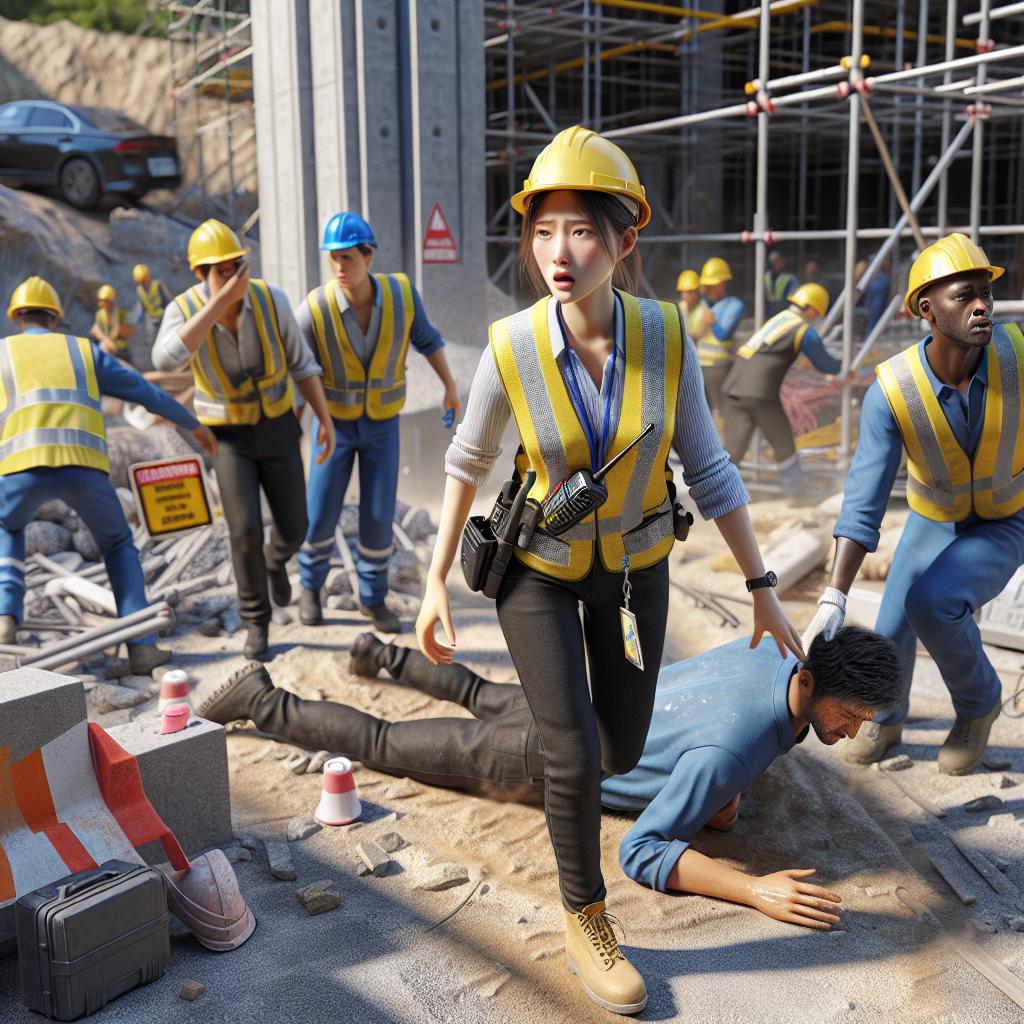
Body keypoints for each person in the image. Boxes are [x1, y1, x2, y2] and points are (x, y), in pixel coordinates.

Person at [414, 125, 802, 1016]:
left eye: (582, 230)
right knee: (577, 750)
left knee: (621, 748)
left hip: (634, 572)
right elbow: (467, 463)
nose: (558, 252)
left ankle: (581, 772)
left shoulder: (667, 338)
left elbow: (709, 469)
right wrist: (436, 580)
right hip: (538, 573)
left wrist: (762, 586)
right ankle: (587, 911)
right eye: (542, 231)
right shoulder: (509, 346)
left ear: (625, 241)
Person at [196, 625, 900, 931]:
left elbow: (696, 711)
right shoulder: (734, 750)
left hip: (577, 694)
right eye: (851, 713)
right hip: (544, 754)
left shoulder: (771, 648)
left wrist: (721, 796)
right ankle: (261, 699)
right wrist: (752, 887)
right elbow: (644, 851)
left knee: (484, 693)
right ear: (810, 680)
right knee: (386, 743)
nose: (854, 731)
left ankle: (382, 656)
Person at [805, 233, 1022, 775]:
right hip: (934, 520)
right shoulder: (894, 390)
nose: (981, 307)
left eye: (985, 295)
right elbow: (864, 500)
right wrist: (834, 595)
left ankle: (977, 704)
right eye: (964, 296)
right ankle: (887, 713)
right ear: (926, 309)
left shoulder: (1018, 358)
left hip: (1005, 518)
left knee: (933, 603)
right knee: (892, 624)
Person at [0, 276, 217, 672]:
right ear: (55, 318)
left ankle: (5, 616)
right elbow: (144, 391)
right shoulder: (82, 351)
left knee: (8, 528)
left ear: (17, 317)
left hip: (19, 470)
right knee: (118, 544)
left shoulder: (2, 355)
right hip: (84, 468)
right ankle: (142, 646)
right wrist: (193, 424)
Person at [152, 219, 336, 662]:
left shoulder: (271, 300)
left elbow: (302, 363)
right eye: (221, 270)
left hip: (277, 426)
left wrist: (325, 421)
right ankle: (257, 621)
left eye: (238, 267)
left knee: (295, 527)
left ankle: (277, 561)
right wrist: (218, 305)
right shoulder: (185, 309)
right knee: (244, 531)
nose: (234, 277)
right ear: (200, 273)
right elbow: (165, 357)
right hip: (227, 438)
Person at [294, 212, 461, 634]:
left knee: (378, 512)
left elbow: (430, 341)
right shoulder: (315, 308)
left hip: (383, 425)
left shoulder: (402, 295)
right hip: (333, 426)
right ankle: (310, 589)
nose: (339, 267)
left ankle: (372, 597)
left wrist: (450, 387)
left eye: (347, 258)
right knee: (320, 509)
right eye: (333, 258)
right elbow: (298, 370)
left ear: (368, 257)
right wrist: (296, 423)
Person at [721, 282, 841, 498]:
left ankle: (721, 498)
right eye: (817, 313)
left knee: (733, 451)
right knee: (784, 444)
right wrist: (846, 368)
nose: (816, 318)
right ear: (812, 308)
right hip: (759, 393)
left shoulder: (779, 319)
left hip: (733, 388)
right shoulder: (802, 329)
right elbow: (826, 364)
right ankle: (796, 495)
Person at [696, 256, 745, 416]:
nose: (707, 289)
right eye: (705, 286)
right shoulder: (703, 304)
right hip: (699, 366)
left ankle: (727, 440)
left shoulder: (734, 305)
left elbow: (723, 335)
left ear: (722, 284)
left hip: (718, 367)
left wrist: (712, 322)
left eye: (711, 286)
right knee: (701, 413)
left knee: (724, 412)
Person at [133, 263, 172, 351]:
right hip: (151, 318)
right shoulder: (139, 290)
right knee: (151, 339)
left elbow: (168, 299)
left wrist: (169, 312)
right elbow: (143, 305)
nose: (143, 283)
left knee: (167, 336)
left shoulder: (158, 285)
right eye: (140, 281)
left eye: (143, 280)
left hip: (163, 315)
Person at [91, 284, 132, 361]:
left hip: (119, 348)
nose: (101, 303)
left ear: (110, 301)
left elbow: (127, 331)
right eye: (101, 300)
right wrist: (105, 340)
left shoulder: (120, 313)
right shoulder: (100, 315)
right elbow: (95, 330)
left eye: (104, 301)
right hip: (105, 345)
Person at [675, 268, 712, 346]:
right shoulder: (678, 308)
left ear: (697, 292)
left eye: (690, 292)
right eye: (683, 291)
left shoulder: (705, 310)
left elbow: (700, 336)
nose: (686, 295)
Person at [765, 250, 798, 318]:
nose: (777, 263)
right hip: (767, 313)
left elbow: (793, 298)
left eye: (778, 260)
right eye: (774, 261)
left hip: (784, 314)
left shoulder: (791, 278)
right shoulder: (765, 276)